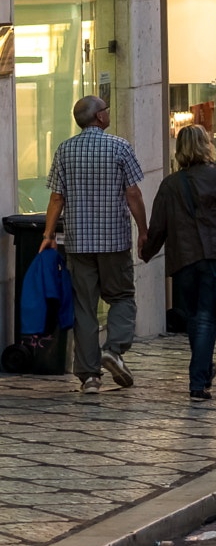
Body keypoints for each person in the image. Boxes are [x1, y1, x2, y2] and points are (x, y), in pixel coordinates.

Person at [140, 125, 216, 401]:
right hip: (215, 258)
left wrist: (147, 251)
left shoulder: (170, 184)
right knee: (206, 319)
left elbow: (158, 226)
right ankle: (197, 381)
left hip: (184, 262)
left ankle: (203, 370)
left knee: (196, 318)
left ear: (179, 151)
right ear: (207, 146)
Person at [40, 96, 147, 393]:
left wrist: (49, 234)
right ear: (99, 117)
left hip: (78, 243)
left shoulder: (65, 149)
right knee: (122, 296)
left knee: (84, 308)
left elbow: (57, 198)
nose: (108, 113)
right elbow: (133, 194)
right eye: (106, 110)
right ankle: (113, 349)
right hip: (113, 241)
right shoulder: (119, 146)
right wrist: (143, 230)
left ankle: (89, 377)